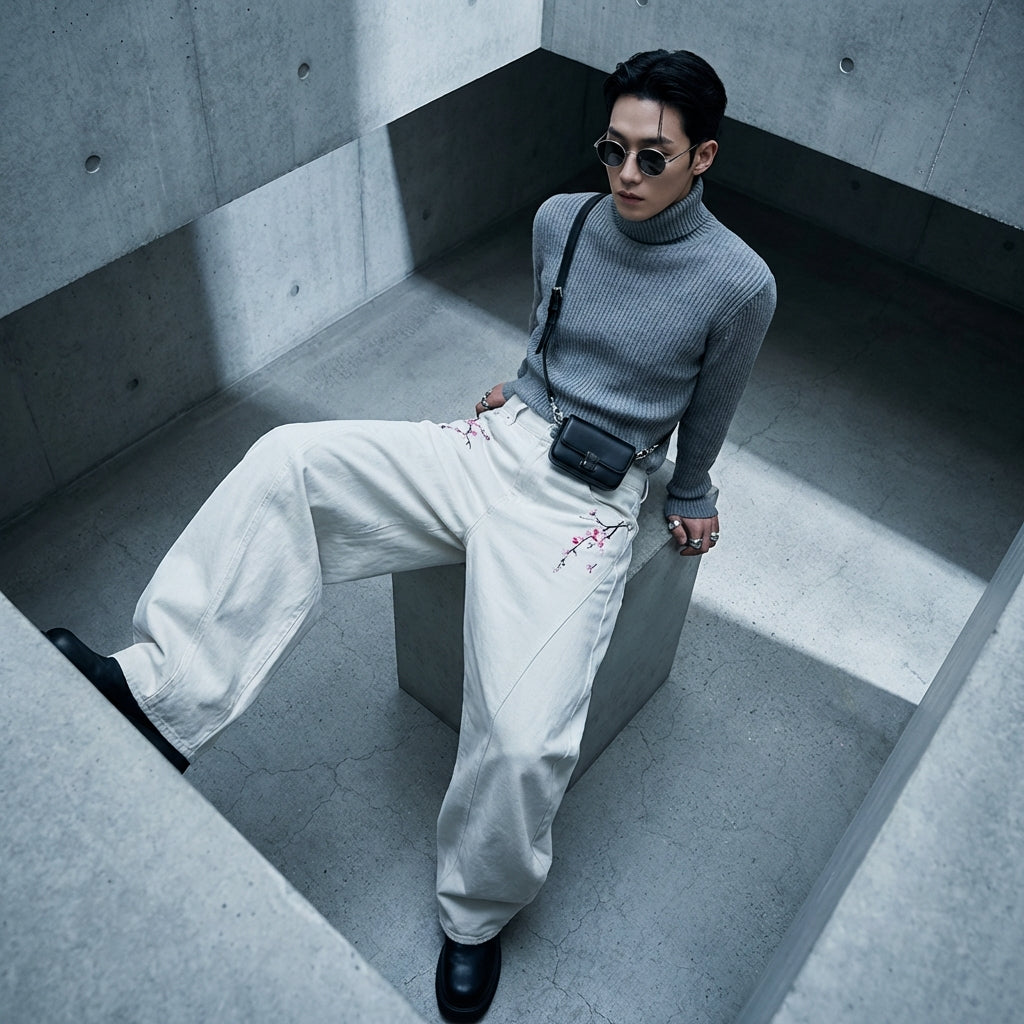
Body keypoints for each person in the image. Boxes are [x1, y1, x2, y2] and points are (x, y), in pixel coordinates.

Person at [47, 48, 775, 1022]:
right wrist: (522, 392)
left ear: (703, 157)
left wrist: (692, 491)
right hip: (498, 442)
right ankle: (156, 690)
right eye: (613, 150)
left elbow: (709, 409)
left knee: (522, 739)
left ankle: (474, 914)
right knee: (292, 459)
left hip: (589, 502)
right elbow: (549, 343)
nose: (627, 175)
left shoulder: (738, 282)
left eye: (654, 157)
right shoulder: (562, 220)